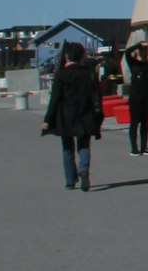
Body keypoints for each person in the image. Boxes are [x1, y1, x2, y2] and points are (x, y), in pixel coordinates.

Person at [42, 43, 103, 191]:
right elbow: (96, 95)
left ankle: (70, 180)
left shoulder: (61, 74)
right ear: (82, 56)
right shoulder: (89, 73)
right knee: (84, 145)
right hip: (85, 113)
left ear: (67, 56)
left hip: (66, 115)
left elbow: (55, 99)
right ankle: (84, 169)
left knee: (67, 147)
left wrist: (47, 119)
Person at [123, 40, 148, 154]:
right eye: (142, 50)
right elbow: (127, 52)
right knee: (135, 121)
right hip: (135, 96)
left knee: (145, 121)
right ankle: (134, 148)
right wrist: (138, 45)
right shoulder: (133, 63)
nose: (144, 51)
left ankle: (144, 147)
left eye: (145, 50)